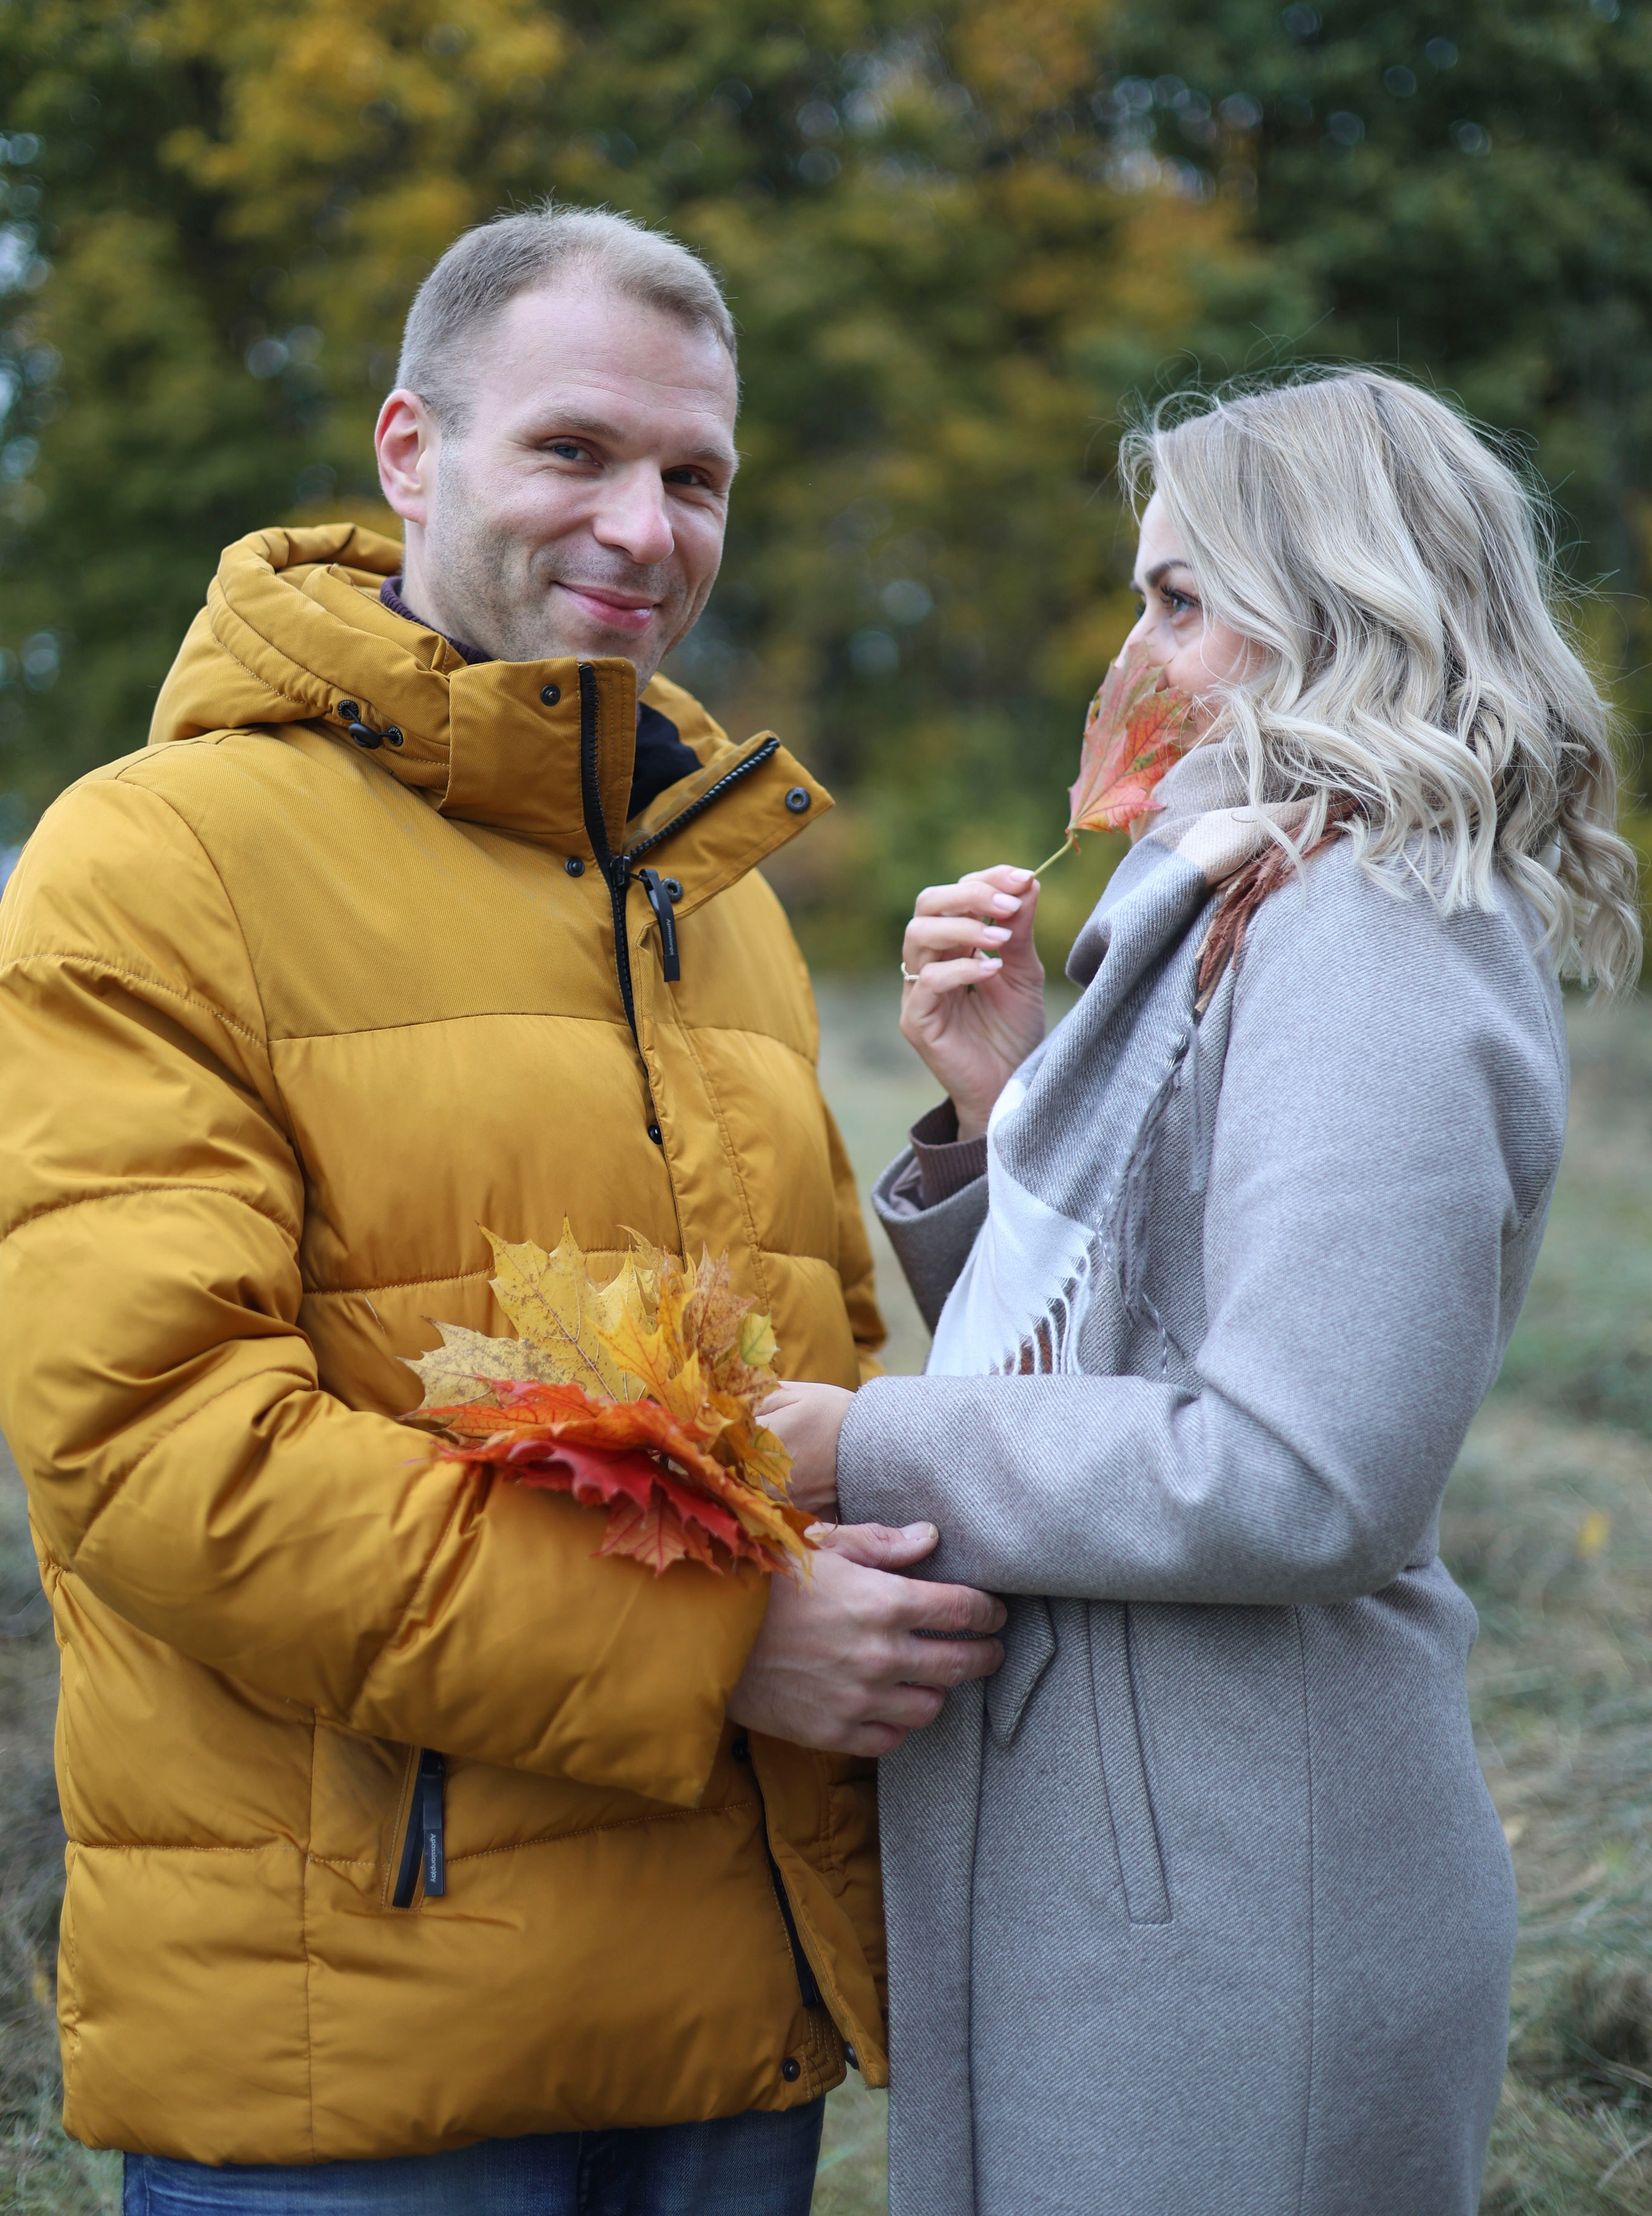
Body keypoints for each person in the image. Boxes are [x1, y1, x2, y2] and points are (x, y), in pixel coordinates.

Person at [0, 203, 1004, 2214]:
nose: (645, 527)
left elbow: (821, 1392)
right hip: (359, 2055)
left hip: (733, 2026)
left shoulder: (720, 904)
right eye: (575, 452)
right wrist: (721, 1648)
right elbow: (155, 1451)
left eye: (695, 475)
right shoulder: (153, 859)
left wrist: (999, 1145)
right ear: (409, 452)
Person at [761, 370, 1642, 2216]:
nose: (1133, 656)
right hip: (1135, 1841)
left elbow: (1307, 1468)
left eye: (1179, 600)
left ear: (1338, 604)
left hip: (1246, 1880)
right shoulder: (1246, 900)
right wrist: (1016, 1108)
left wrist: (869, 1445)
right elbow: (1155, 1321)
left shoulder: (1378, 932)